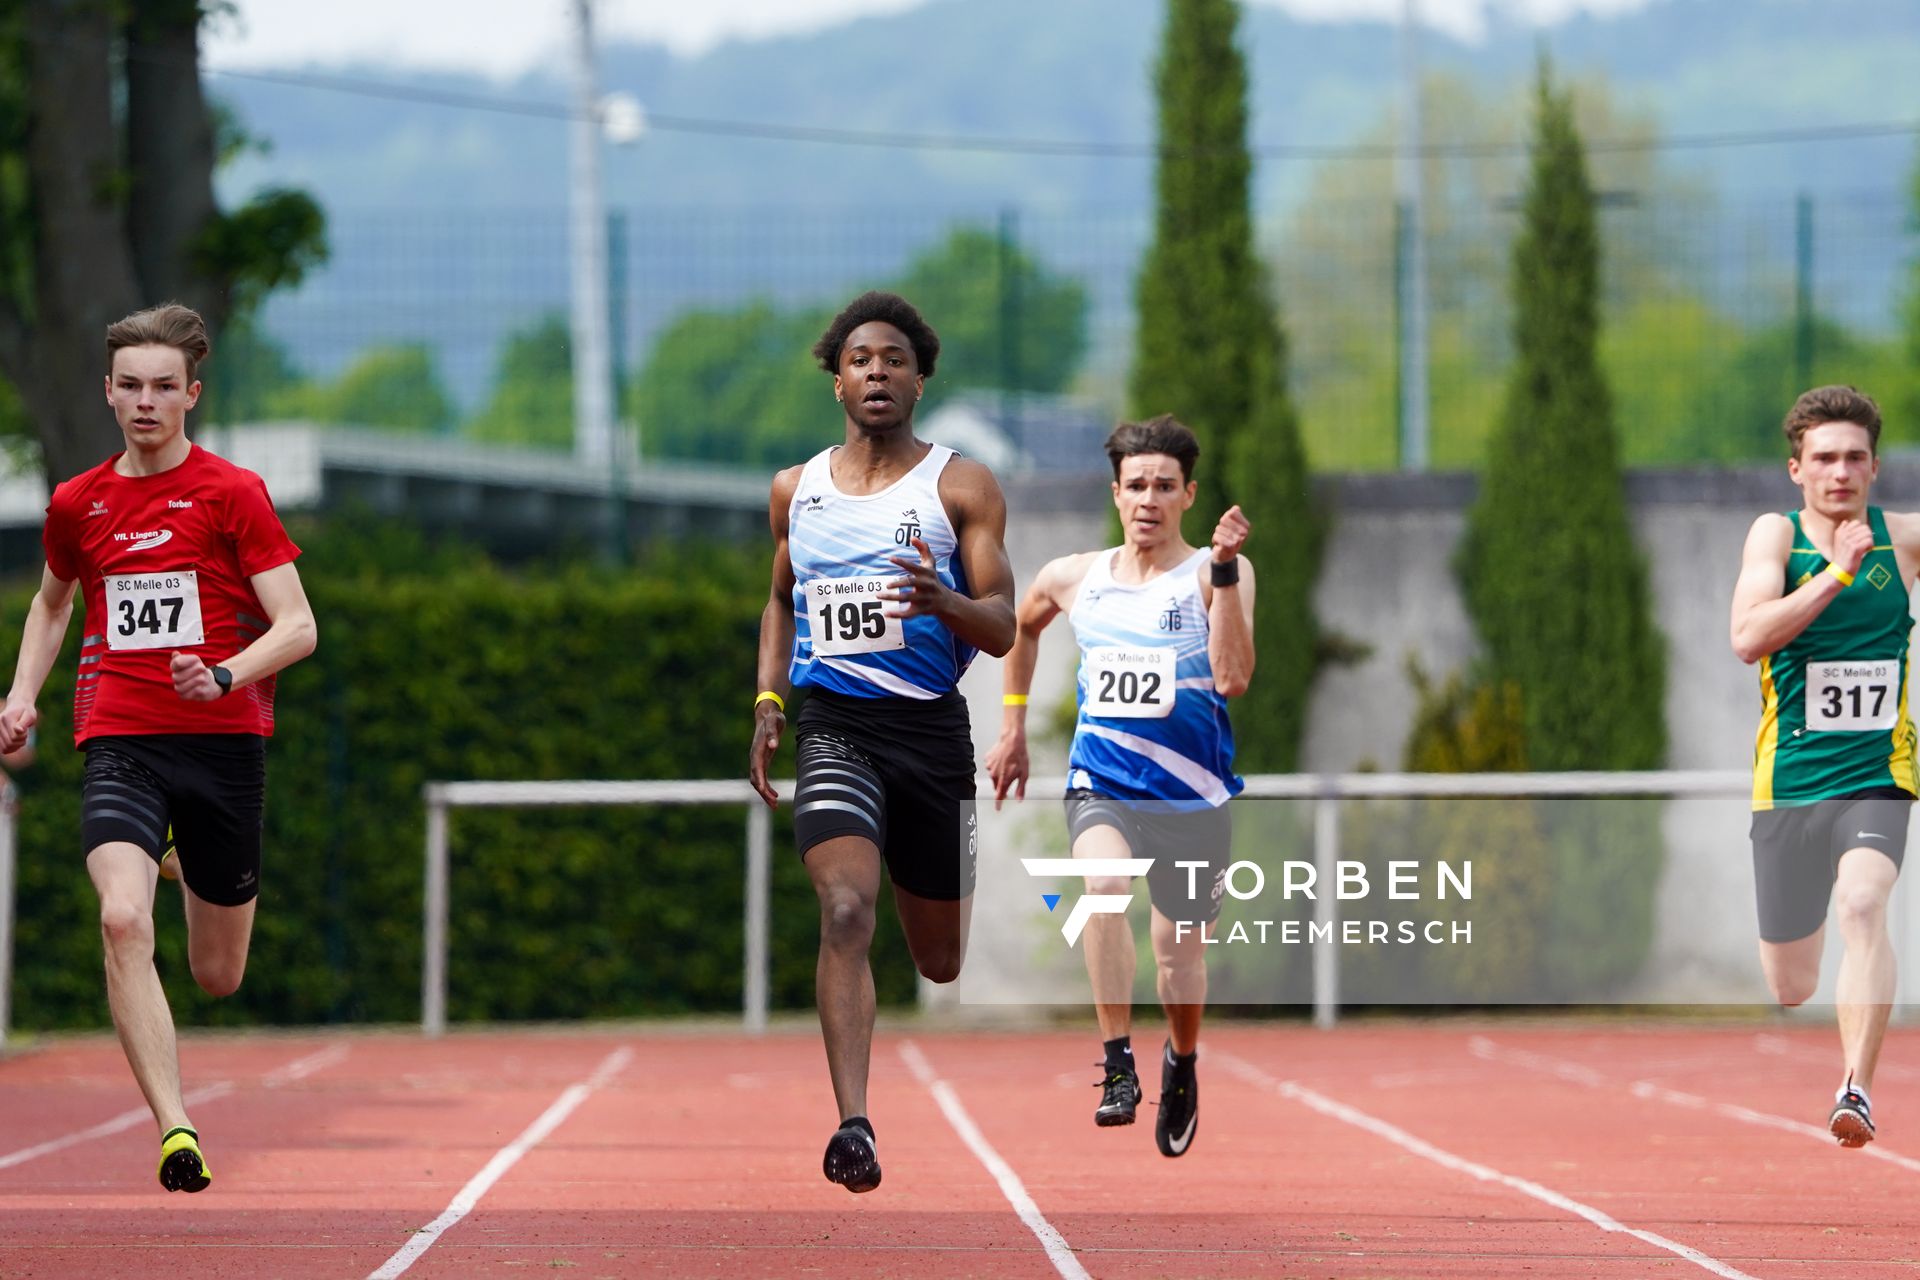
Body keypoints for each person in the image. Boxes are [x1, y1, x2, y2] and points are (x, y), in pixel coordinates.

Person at [0, 303, 317, 1191]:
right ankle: (176, 1126)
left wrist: (223, 673)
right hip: (121, 738)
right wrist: (22, 695)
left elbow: (298, 626)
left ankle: (181, 860)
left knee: (217, 975)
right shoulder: (79, 502)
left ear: (191, 397)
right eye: (130, 386)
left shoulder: (232, 493)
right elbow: (53, 602)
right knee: (119, 918)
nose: (146, 401)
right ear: (108, 393)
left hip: (222, 746)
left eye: (163, 388)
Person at [747, 290, 1015, 1193]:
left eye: (894, 360)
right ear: (837, 381)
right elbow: (781, 598)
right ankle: (853, 1124)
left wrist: (946, 602)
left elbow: (1005, 624)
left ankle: (920, 867)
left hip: (929, 732)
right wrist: (769, 698)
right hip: (837, 727)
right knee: (846, 911)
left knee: (939, 962)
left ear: (920, 381)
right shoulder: (797, 489)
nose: (877, 373)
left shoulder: (960, 487)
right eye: (861, 359)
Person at [986, 414, 1253, 1158]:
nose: (1149, 500)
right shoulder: (1076, 578)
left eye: (1165, 486)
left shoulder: (1212, 572)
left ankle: (1184, 1060)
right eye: (1137, 485)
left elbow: (1232, 678)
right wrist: (1012, 726)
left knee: (1177, 956)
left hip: (1193, 797)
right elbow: (1024, 626)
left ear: (1188, 495)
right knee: (1102, 888)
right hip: (1102, 782)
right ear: (1116, 492)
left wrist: (1228, 574)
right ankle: (1116, 1067)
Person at [1730, 384, 1918, 1148]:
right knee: (1791, 984)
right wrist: (1836, 574)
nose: (1840, 472)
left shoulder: (1904, 539)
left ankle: (1856, 1089)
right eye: (1825, 459)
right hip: (1791, 783)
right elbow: (1748, 636)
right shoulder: (1775, 539)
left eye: (1854, 458)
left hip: (1879, 774)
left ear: (1874, 468)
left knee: (1864, 905)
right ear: (1796, 469)